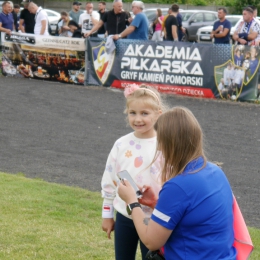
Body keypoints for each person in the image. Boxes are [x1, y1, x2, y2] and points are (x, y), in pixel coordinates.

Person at [118, 106, 237, 260]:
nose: (158, 147)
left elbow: (151, 241)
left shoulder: (178, 186)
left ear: (169, 144)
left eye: (159, 140)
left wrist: (132, 202)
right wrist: (156, 204)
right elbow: (194, 214)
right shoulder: (215, 171)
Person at [101, 84, 168, 260]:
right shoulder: (121, 144)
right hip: (125, 216)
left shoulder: (166, 145)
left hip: (156, 219)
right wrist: (107, 215)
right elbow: (110, 181)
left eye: (144, 113)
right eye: (133, 113)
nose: (138, 119)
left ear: (158, 114)